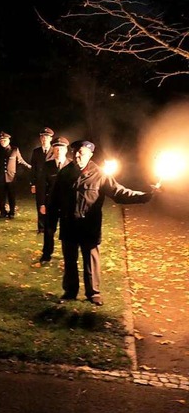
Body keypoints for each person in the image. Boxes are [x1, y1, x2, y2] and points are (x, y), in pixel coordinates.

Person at [47, 140, 158, 306]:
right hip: (69, 224)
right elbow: (55, 200)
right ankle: (70, 291)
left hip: (89, 226)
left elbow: (119, 193)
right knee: (70, 260)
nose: (77, 156)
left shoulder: (99, 174)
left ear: (90, 155)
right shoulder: (65, 173)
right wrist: (51, 223)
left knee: (91, 260)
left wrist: (144, 196)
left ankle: (93, 293)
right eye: (75, 152)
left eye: (81, 153)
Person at [39, 136, 71, 264]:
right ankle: (46, 255)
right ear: (53, 150)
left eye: (61, 149)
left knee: (67, 232)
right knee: (48, 231)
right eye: (56, 149)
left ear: (66, 150)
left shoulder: (71, 165)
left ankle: (68, 256)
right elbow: (42, 186)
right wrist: (42, 203)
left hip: (66, 205)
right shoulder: (47, 166)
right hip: (51, 204)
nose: (58, 152)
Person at [0, 131, 31, 219]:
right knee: (1, 196)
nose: (3, 142)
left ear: (8, 140)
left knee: (11, 196)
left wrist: (29, 166)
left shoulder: (14, 150)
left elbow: (20, 160)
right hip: (0, 177)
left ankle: (12, 212)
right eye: (1, 141)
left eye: (4, 140)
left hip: (11, 177)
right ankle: (3, 212)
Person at [29, 127, 54, 234]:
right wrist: (33, 184)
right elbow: (33, 168)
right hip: (40, 183)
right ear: (40, 139)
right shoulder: (36, 152)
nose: (44, 139)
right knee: (40, 204)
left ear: (51, 138)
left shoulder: (55, 151)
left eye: (47, 137)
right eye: (43, 137)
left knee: (52, 205)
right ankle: (41, 227)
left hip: (52, 183)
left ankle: (50, 227)